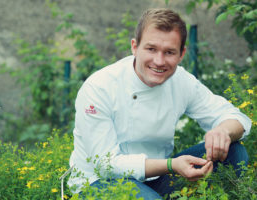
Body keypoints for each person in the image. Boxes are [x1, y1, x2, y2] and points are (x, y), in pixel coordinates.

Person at [68, 8, 251, 199]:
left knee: (234, 151)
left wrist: (223, 131)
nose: (159, 61)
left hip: (157, 178)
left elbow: (238, 118)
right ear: (134, 47)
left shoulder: (181, 81)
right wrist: (171, 165)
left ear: (182, 54)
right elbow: (106, 165)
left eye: (169, 52)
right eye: (151, 49)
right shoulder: (99, 87)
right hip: (98, 182)